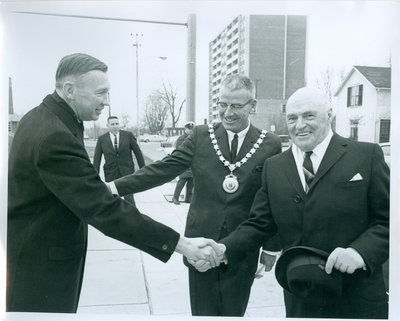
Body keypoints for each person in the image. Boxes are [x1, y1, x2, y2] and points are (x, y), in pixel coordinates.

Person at [6, 53, 222, 313]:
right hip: (41, 270)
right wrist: (183, 245)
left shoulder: (39, 118)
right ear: (70, 90)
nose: (106, 103)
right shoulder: (55, 136)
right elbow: (105, 210)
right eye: (100, 93)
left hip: (32, 258)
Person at [109, 74, 282, 316]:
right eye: (223, 104)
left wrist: (272, 247)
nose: (228, 112)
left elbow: (274, 197)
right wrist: (113, 188)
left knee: (234, 312)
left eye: (236, 106)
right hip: (199, 246)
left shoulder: (270, 144)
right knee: (202, 313)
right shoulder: (201, 136)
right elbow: (162, 169)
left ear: (253, 106)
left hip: (244, 246)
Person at [218, 87, 390, 319]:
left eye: (309, 116)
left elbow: (388, 220)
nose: (300, 125)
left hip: (356, 298)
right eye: (292, 118)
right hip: (301, 297)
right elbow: (259, 224)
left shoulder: (366, 156)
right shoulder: (274, 167)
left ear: (329, 116)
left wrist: (359, 252)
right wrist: (223, 248)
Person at [93, 115, 145, 206]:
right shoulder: (102, 139)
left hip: (127, 171)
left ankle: (132, 218)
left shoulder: (128, 136)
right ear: (107, 125)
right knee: (113, 199)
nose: (115, 126)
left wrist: (143, 169)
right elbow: (97, 159)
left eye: (117, 123)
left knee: (129, 198)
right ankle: (116, 218)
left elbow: (138, 153)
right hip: (110, 172)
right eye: (112, 124)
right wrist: (94, 176)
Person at [171, 121, 195, 205]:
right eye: (189, 129)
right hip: (184, 162)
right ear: (186, 129)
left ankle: (188, 198)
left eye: (192, 129)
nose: (191, 131)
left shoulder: (193, 138)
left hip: (191, 162)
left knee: (191, 181)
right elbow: (179, 150)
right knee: (182, 180)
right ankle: (175, 197)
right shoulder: (181, 138)